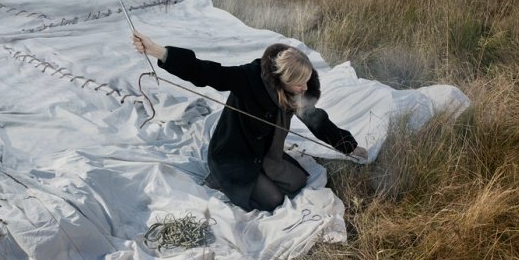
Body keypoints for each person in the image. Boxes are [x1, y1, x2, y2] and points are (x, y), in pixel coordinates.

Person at [132, 31, 368, 212]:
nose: (305, 88)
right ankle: (219, 178)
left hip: (265, 153)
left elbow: (316, 120)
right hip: (235, 155)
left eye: (307, 82)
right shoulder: (248, 78)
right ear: (282, 79)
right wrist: (157, 51)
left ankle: (260, 175)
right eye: (299, 84)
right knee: (273, 200)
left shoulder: (295, 92)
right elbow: (205, 72)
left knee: (297, 182)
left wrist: (348, 146)